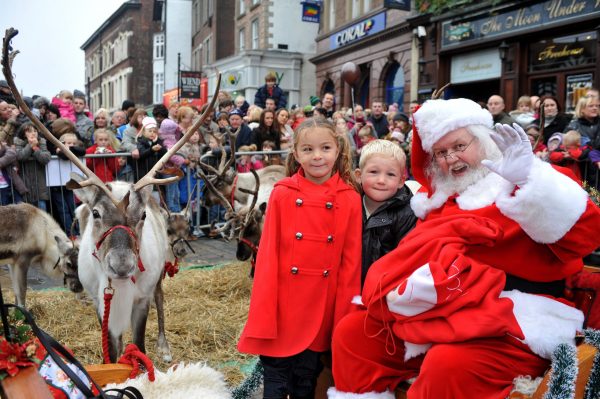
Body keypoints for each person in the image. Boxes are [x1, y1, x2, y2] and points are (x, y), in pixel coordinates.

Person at [328, 98, 600, 399]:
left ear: (483, 141)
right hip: (442, 312)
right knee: (354, 333)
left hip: (516, 319)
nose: (451, 159)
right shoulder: (439, 203)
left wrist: (529, 179)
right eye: (441, 153)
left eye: (459, 146)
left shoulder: (526, 179)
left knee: (447, 365)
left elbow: (587, 234)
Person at [238, 118, 362, 399]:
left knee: (306, 380)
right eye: (308, 149)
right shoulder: (283, 194)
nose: (317, 156)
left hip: (321, 308)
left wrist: (343, 319)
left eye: (325, 148)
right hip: (283, 307)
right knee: (275, 378)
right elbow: (267, 257)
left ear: (338, 150)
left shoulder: (349, 198)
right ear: (296, 154)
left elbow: (351, 265)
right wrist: (264, 311)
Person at [355, 139, 417, 286]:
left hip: (384, 288)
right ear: (359, 175)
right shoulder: (351, 204)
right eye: (373, 172)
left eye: (390, 174)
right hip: (350, 287)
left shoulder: (408, 213)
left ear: (401, 181)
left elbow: (404, 258)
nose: (381, 180)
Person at [14, 122, 51, 210]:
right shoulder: (18, 142)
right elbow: (20, 156)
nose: (33, 133)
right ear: (23, 133)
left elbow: (45, 158)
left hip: (40, 185)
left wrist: (35, 148)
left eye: (35, 131)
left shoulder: (41, 142)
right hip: (25, 183)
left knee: (42, 211)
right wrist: (30, 145)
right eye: (29, 131)